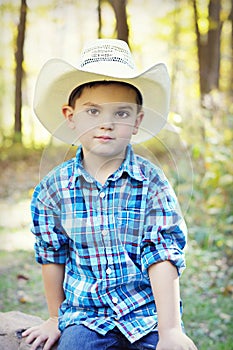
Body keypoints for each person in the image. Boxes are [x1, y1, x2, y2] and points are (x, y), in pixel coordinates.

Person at [22, 39, 197, 350]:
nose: (106, 124)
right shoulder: (52, 189)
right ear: (70, 116)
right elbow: (52, 254)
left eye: (121, 113)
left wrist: (170, 330)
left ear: (136, 122)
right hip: (86, 317)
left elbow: (162, 255)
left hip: (147, 314)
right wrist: (53, 318)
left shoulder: (151, 183)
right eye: (92, 111)